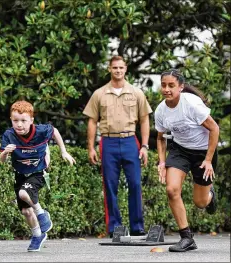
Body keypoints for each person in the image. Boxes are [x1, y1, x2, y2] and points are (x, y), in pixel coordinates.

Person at [83, 55, 152, 237]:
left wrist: (144, 146)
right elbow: (92, 121)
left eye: (121, 67)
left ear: (126, 69)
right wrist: (91, 147)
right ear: (109, 69)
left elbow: (145, 120)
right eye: (115, 68)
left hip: (130, 141)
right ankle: (115, 228)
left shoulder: (136, 93)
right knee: (110, 185)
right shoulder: (99, 94)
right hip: (108, 141)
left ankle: (137, 227)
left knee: (135, 184)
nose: (118, 71)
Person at [155, 70, 219, 252]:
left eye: (171, 85)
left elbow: (214, 129)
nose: (166, 89)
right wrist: (161, 162)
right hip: (180, 150)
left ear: (181, 87)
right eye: (164, 85)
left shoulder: (192, 105)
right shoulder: (161, 110)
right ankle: (186, 238)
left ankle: (210, 196)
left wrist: (208, 160)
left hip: (203, 152)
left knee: (200, 202)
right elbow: (160, 138)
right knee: (171, 189)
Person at [0, 100, 75, 252]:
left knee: (24, 193)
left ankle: (41, 213)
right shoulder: (9, 135)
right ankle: (37, 235)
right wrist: (5, 152)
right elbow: (2, 160)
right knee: (26, 211)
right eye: (15, 121)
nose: (19, 125)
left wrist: (63, 151)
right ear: (11, 120)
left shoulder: (40, 131)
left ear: (31, 121)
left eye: (23, 121)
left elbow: (54, 131)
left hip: (38, 172)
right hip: (20, 174)